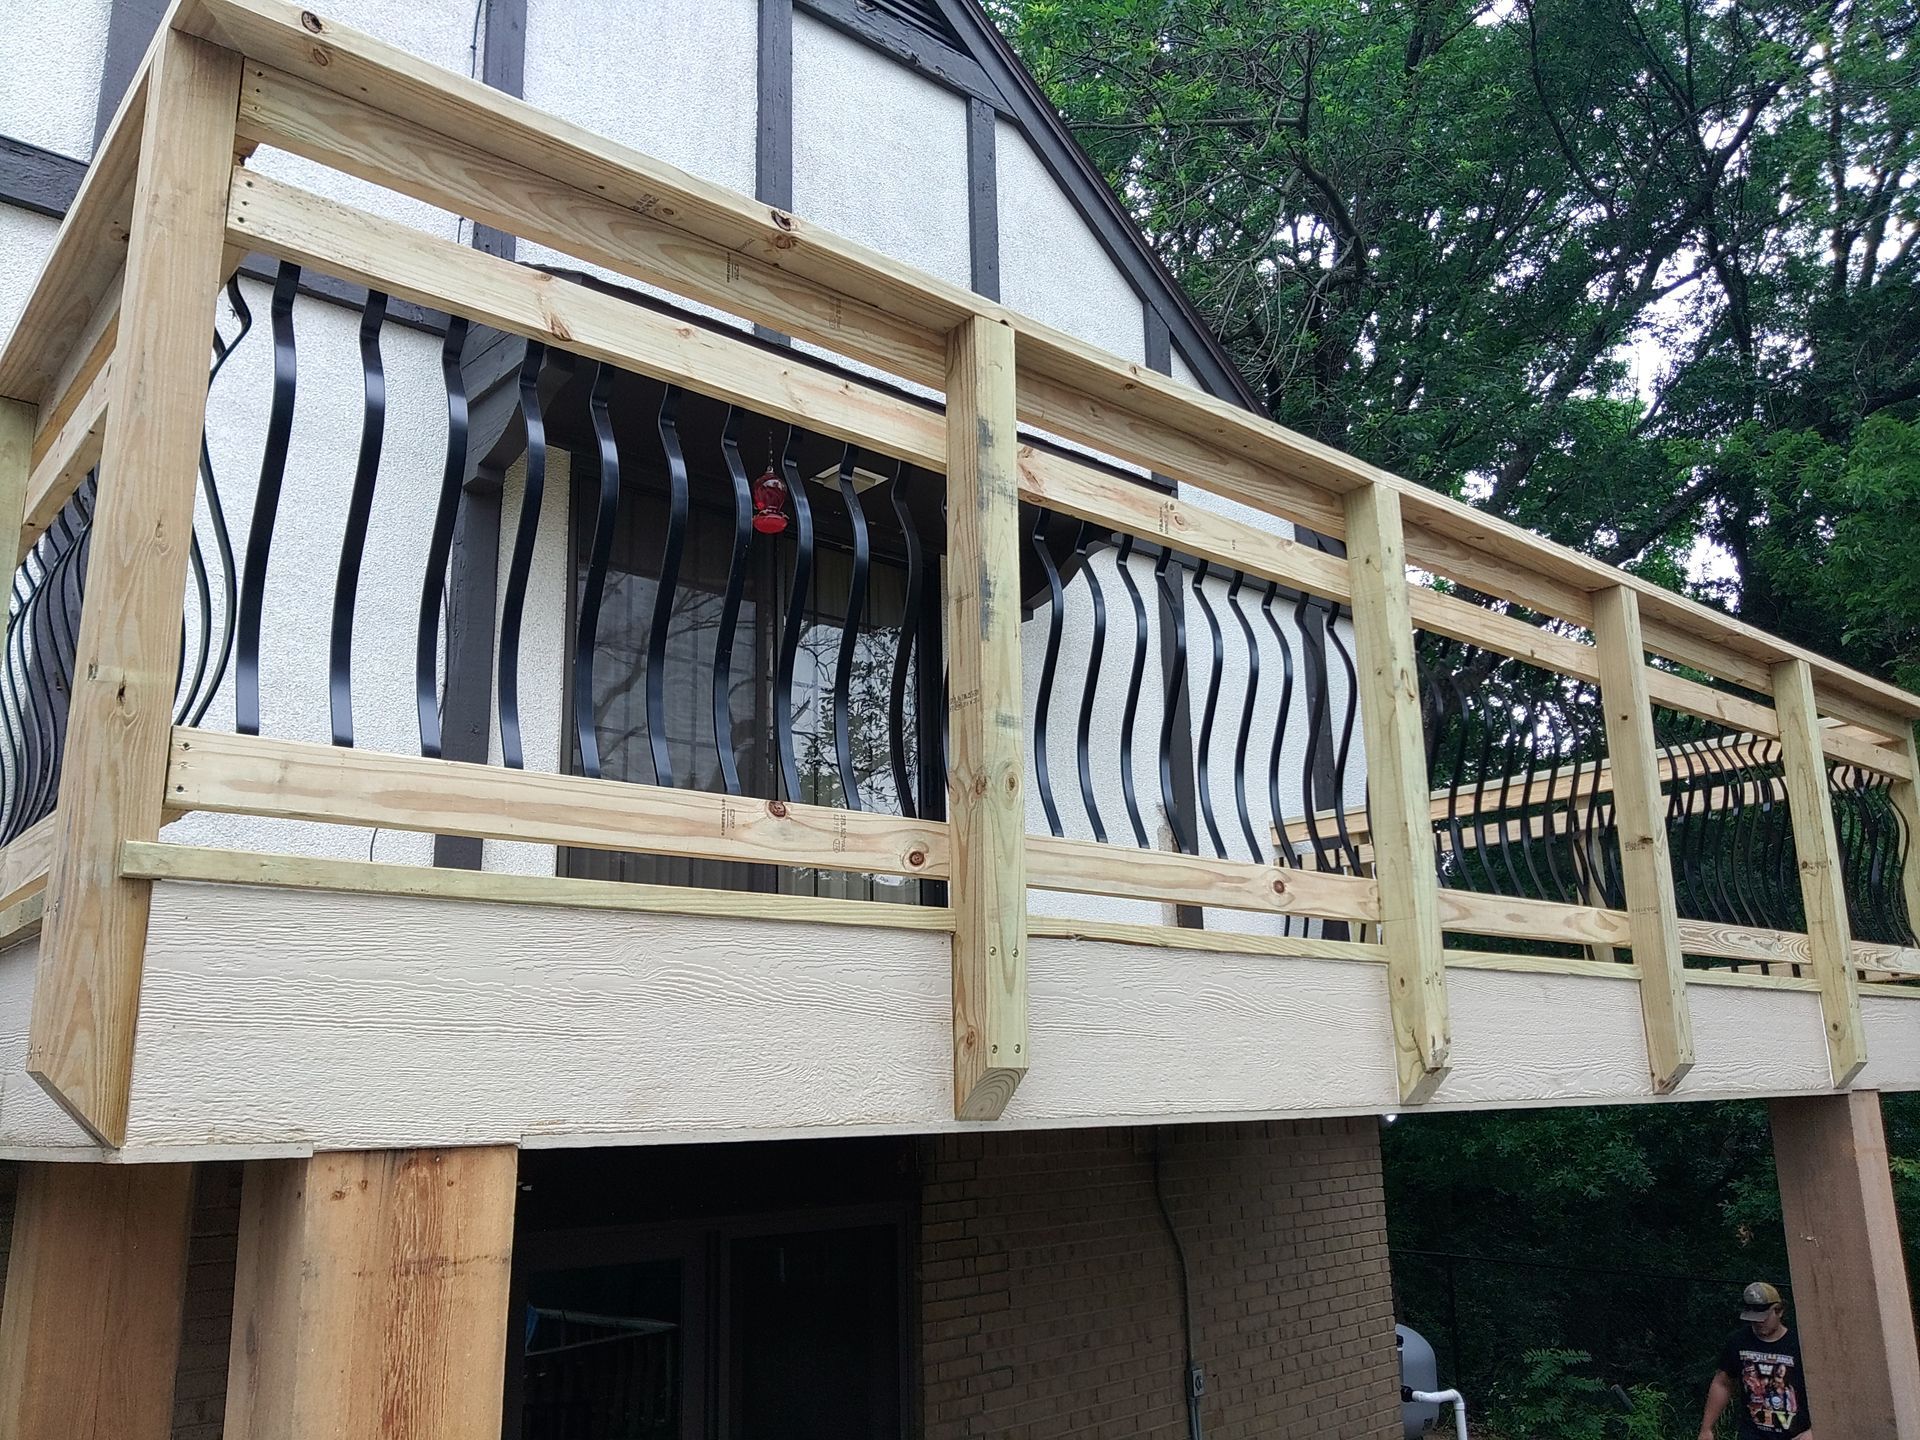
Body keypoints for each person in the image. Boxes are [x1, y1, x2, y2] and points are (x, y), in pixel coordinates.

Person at [1697, 1282, 1813, 1438]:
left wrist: (1814, 1431)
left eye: (1763, 1318)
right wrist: (1707, 1428)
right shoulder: (1738, 1341)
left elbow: (1827, 1391)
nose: (1758, 1323)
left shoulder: (1800, 1345)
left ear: (1779, 1311)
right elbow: (1722, 1382)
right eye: (1753, 1318)